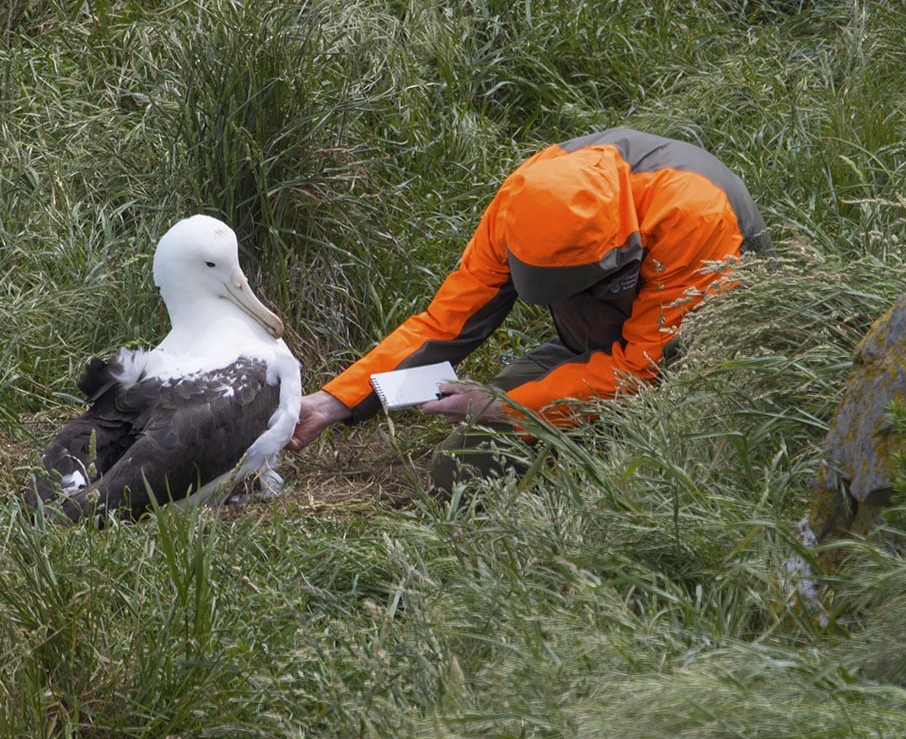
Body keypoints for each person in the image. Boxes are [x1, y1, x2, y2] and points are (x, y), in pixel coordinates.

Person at [286, 127, 771, 492]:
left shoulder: (693, 215)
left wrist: (506, 407)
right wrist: (333, 403)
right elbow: (445, 322)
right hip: (597, 348)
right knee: (462, 469)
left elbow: (641, 368)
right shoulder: (523, 202)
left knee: (654, 457)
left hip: (693, 362)